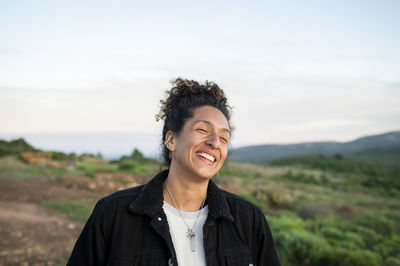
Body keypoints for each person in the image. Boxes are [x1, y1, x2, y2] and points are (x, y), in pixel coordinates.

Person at [67, 78, 281, 266]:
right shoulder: (113, 214)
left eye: (224, 138)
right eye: (202, 130)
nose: (215, 142)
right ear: (171, 139)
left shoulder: (249, 219)